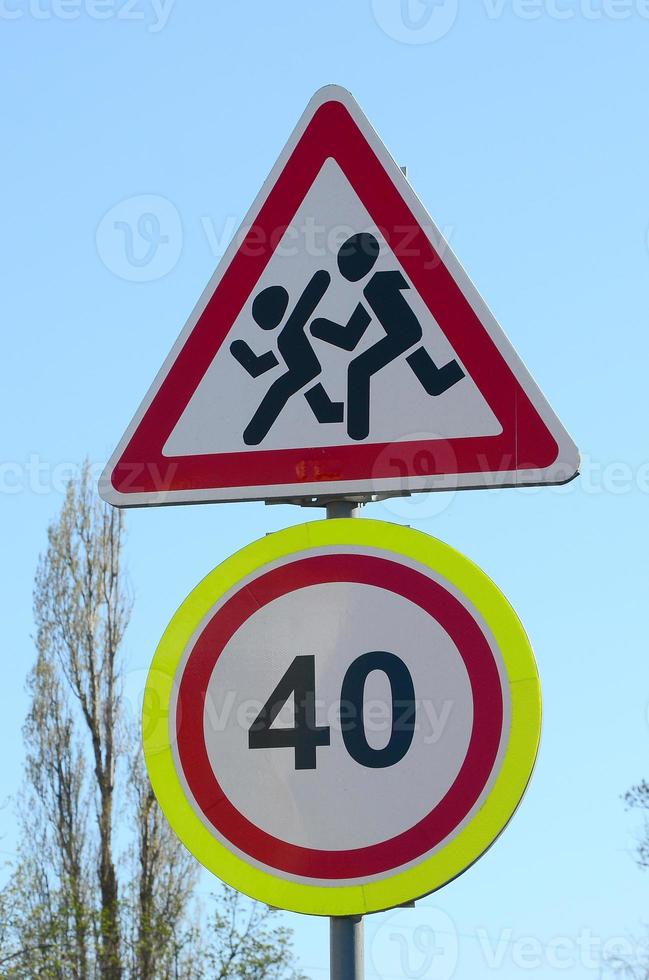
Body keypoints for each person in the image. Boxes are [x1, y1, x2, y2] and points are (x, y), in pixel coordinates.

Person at [311, 233, 465, 441]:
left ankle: (357, 432)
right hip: (407, 337)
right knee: (434, 381)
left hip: (405, 334)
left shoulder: (383, 281)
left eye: (345, 264)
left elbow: (429, 288)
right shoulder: (370, 290)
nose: (342, 271)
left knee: (358, 369)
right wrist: (321, 328)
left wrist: (319, 327)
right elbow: (350, 338)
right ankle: (465, 366)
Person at [230, 273, 343, 445]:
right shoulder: (286, 334)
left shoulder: (289, 332)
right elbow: (259, 366)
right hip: (305, 371)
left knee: (280, 391)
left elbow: (312, 295)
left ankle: (253, 436)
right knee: (293, 395)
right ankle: (252, 437)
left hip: (305, 370)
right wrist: (244, 355)